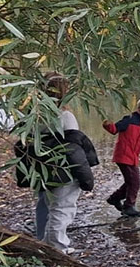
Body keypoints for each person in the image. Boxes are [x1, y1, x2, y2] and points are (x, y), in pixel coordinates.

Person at [15, 72, 99, 252]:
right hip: (63, 170)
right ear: (64, 91)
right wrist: (86, 178)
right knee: (62, 208)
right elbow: (74, 150)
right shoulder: (64, 116)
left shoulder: (35, 115)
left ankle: (45, 241)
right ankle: (56, 247)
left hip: (42, 168)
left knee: (48, 204)